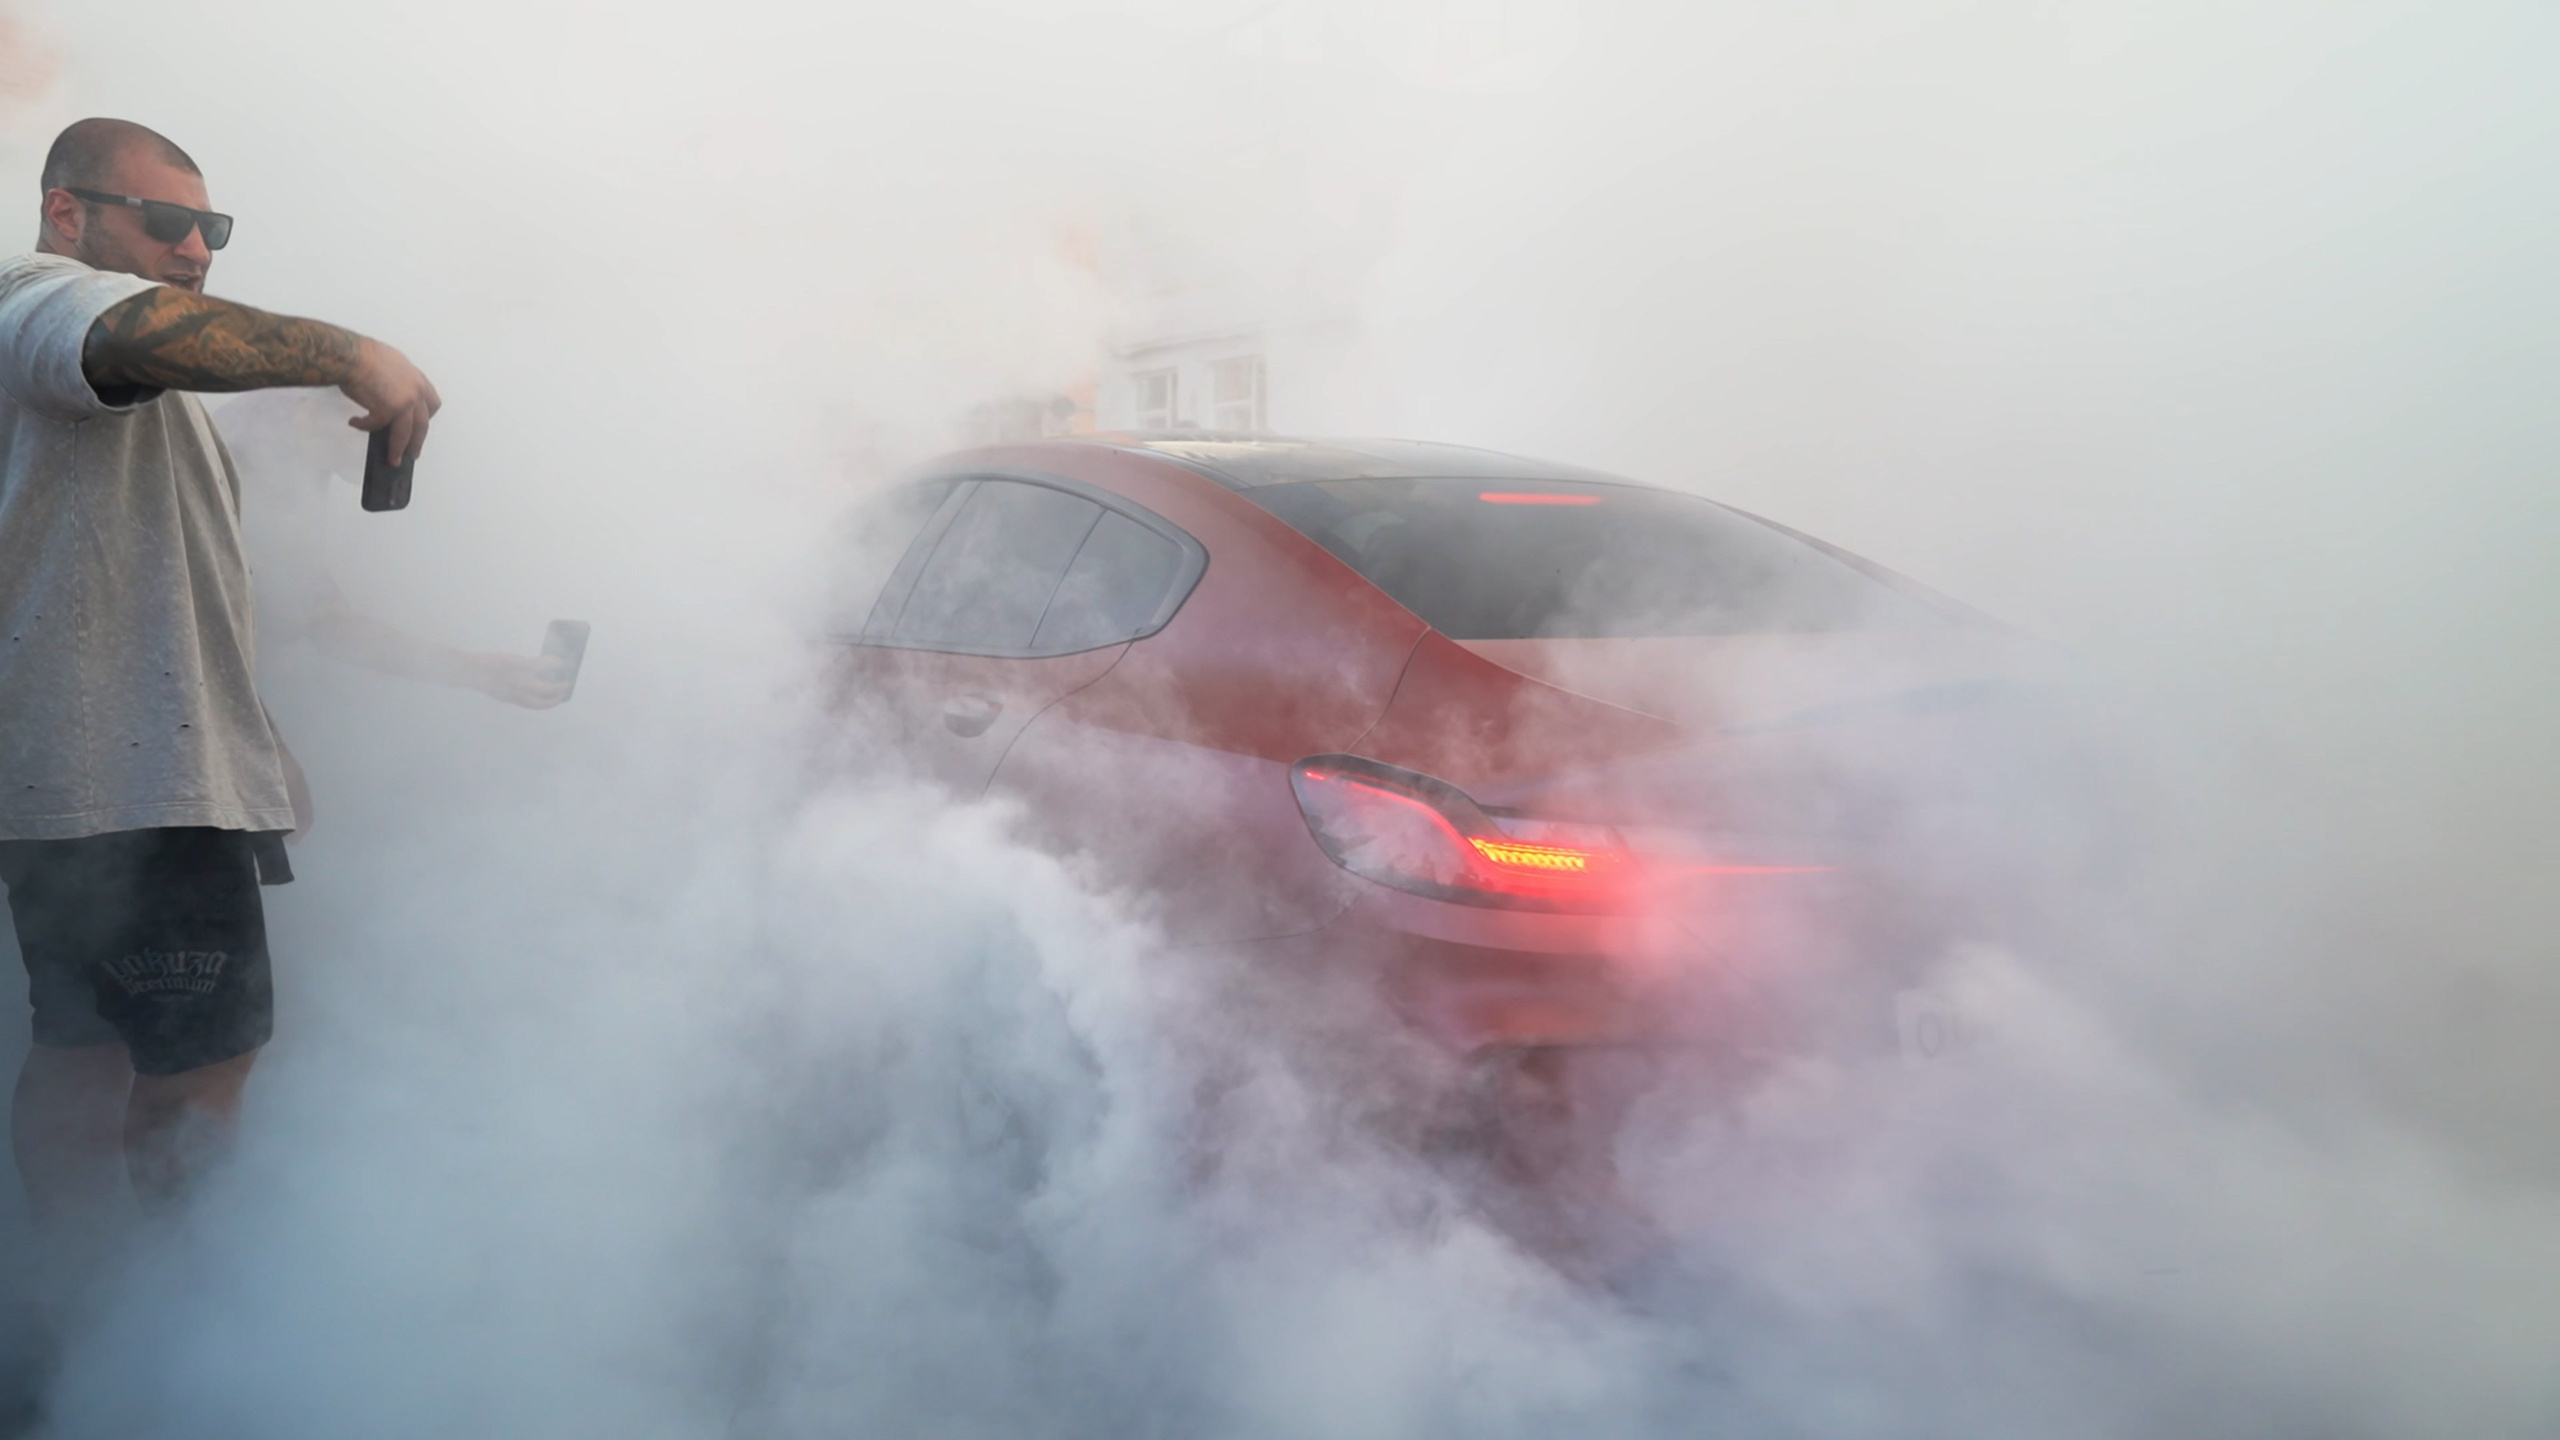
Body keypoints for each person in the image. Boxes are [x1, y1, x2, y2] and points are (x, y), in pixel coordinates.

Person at [0, 118, 441, 1262]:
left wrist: (250, 736)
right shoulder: (38, 299)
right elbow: (136, 327)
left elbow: (171, 596)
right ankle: (180, 1312)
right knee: (202, 1069)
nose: (198, 250)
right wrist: (355, 354)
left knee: (86, 1047)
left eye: (214, 229)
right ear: (68, 213)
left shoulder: (111, 383)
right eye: (168, 223)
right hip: (137, 792)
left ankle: (66, 1305)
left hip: (101, 777)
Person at [216, 388, 571, 712]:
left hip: (239, 644)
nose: (398, 456)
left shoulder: (287, 421)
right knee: (281, 778)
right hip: (197, 655)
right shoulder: (254, 460)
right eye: (391, 435)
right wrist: (483, 673)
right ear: (350, 410)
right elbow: (327, 624)